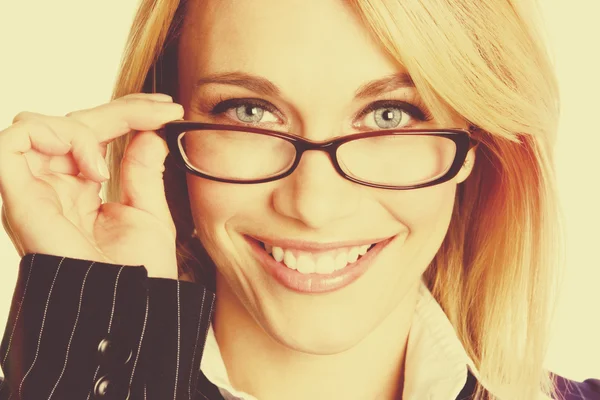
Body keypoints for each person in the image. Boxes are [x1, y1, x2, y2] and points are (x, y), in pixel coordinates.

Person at [0, 0, 598, 399]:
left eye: (390, 115)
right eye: (249, 112)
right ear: (162, 128)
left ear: (476, 146)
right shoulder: (71, 376)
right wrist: (108, 341)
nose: (313, 205)